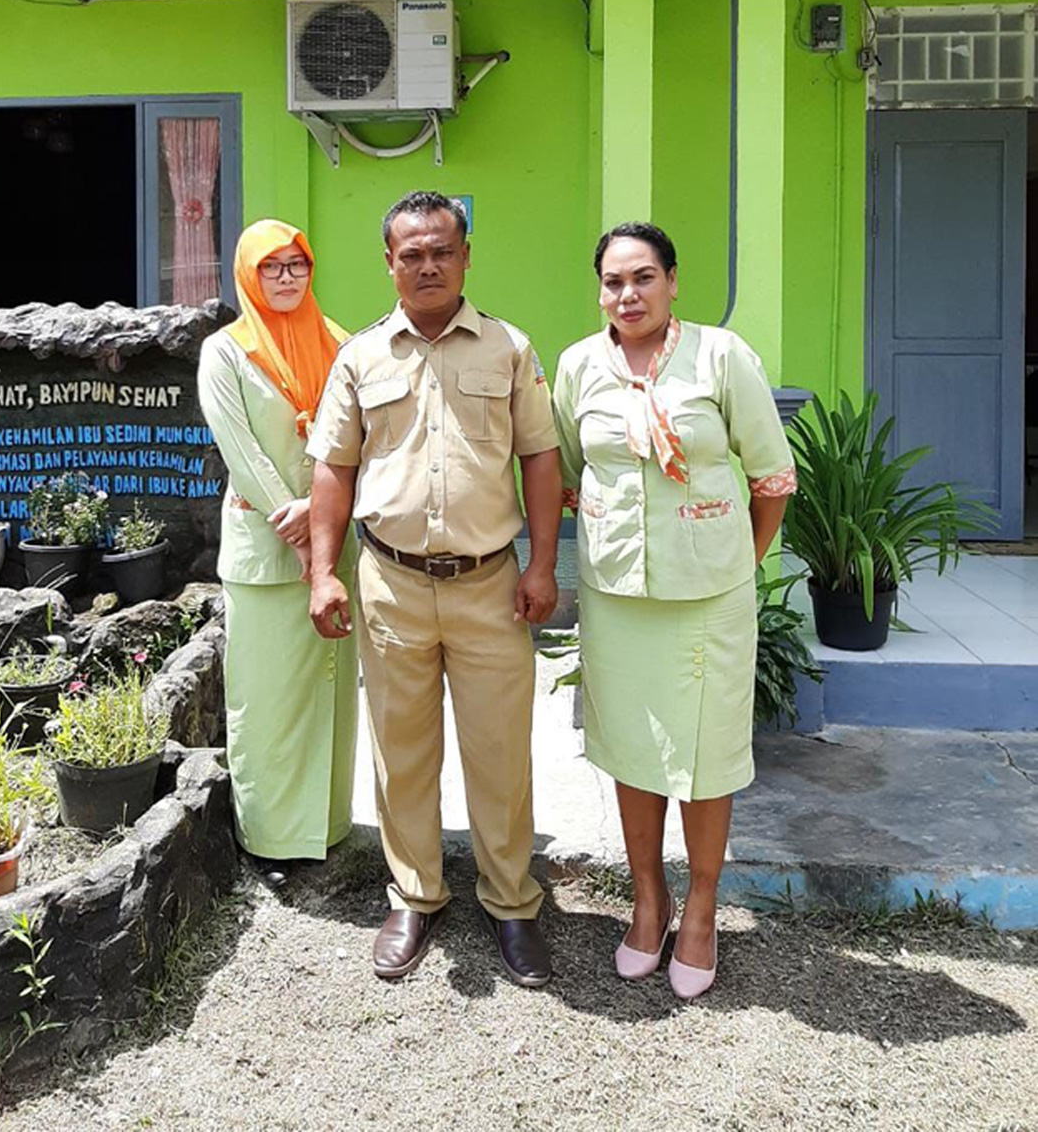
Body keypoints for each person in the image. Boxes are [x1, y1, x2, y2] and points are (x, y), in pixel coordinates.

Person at [306, 190, 563, 986]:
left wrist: (544, 562)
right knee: (402, 753)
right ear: (389, 261)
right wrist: (323, 572)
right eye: (410, 253)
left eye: (441, 250)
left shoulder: (508, 348)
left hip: (491, 584)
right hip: (391, 583)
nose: (427, 264)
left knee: (499, 754)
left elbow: (542, 459)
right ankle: (415, 893)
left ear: (465, 257)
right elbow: (332, 469)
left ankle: (512, 901)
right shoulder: (360, 357)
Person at [552, 222, 795, 999]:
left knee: (706, 753)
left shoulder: (721, 357)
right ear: (599, 291)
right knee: (632, 749)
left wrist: (735, 564)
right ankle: (647, 897)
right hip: (618, 596)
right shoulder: (579, 367)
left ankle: (700, 906)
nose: (629, 293)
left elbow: (769, 478)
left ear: (673, 281)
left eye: (644, 276)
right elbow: (563, 471)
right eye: (615, 280)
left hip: (709, 599)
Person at [197, 220, 358, 882]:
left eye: (298, 263)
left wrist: (321, 517)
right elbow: (240, 448)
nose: (288, 276)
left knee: (329, 689)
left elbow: (356, 440)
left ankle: (327, 822)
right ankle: (268, 832)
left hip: (333, 550)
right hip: (264, 553)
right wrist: (293, 517)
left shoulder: (343, 344)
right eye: (273, 266)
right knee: (264, 696)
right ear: (248, 275)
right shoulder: (225, 352)